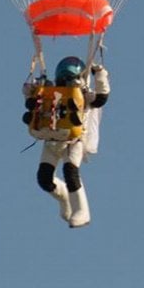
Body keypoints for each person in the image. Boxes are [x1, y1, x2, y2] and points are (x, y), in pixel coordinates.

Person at [23, 55, 110, 228]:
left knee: (70, 171)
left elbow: (101, 98)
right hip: (51, 140)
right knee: (44, 179)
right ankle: (64, 198)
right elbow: (32, 103)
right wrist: (30, 90)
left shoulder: (84, 95)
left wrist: (100, 74)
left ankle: (82, 211)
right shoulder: (50, 93)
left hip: (73, 141)